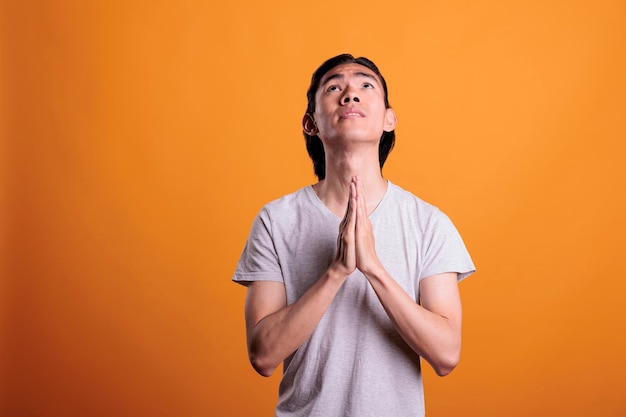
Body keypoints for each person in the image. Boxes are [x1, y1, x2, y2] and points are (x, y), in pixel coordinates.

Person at [232, 53, 475, 417]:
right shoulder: (275, 220)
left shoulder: (428, 222)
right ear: (310, 123)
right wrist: (337, 272)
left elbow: (446, 355)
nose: (350, 94)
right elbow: (263, 356)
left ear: (389, 118)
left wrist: (373, 268)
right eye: (334, 88)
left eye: (365, 85)